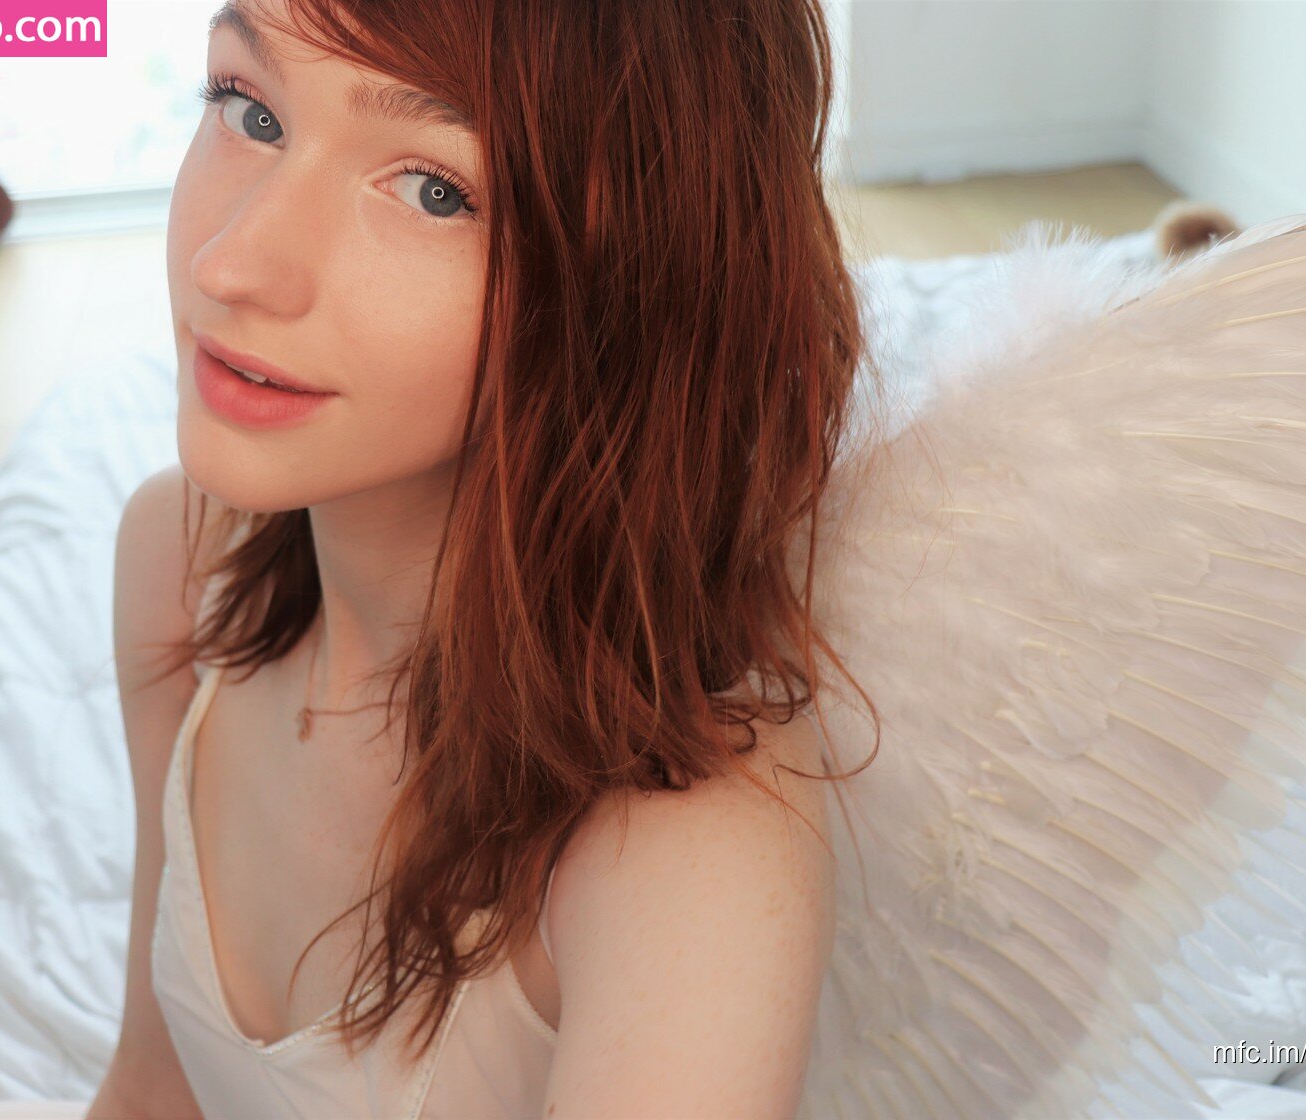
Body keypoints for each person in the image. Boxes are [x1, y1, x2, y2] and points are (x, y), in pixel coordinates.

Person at [85, 0, 852, 1116]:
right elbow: (152, 1091)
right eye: (249, 109)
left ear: (637, 280)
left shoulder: (687, 848)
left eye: (433, 190)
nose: (232, 262)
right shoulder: (179, 558)